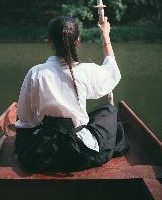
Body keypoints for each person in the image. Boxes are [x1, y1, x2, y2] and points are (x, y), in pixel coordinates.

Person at [14, 16, 129, 172]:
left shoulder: (35, 73)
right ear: (77, 40)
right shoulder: (87, 70)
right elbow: (112, 72)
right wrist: (105, 35)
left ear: (49, 40)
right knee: (109, 111)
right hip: (78, 153)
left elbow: (26, 120)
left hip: (44, 154)